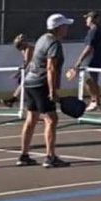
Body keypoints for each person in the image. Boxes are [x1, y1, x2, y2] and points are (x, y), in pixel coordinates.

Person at [18, 14, 74, 168]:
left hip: (29, 83)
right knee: (51, 119)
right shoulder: (54, 43)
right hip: (41, 84)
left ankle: (24, 155)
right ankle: (50, 157)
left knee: (31, 119)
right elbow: (50, 68)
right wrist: (52, 91)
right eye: (65, 25)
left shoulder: (42, 38)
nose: (66, 28)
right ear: (58, 28)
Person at [66, 10, 101, 112]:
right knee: (91, 81)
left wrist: (79, 61)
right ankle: (97, 102)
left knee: (90, 80)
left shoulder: (94, 30)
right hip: (94, 59)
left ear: (94, 19)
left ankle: (95, 102)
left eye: (88, 18)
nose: (86, 20)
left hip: (94, 59)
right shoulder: (93, 30)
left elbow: (88, 48)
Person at [1, 34, 33, 108]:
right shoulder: (23, 50)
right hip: (31, 68)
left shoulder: (29, 49)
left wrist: (18, 73)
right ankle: (12, 100)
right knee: (22, 83)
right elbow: (25, 62)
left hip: (37, 68)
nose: (18, 48)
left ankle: (13, 100)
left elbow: (27, 62)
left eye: (19, 45)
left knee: (25, 83)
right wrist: (20, 72)